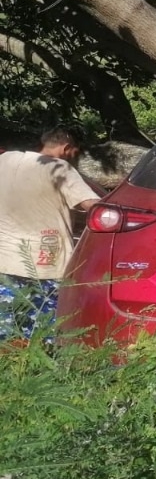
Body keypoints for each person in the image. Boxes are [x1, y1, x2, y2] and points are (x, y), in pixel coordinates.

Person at [0, 128, 101, 341]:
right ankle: (43, 369)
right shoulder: (59, 168)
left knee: (7, 324)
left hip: (4, 260)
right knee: (46, 327)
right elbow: (93, 206)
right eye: (76, 152)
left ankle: (9, 367)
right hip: (45, 263)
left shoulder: (6, 160)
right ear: (67, 148)